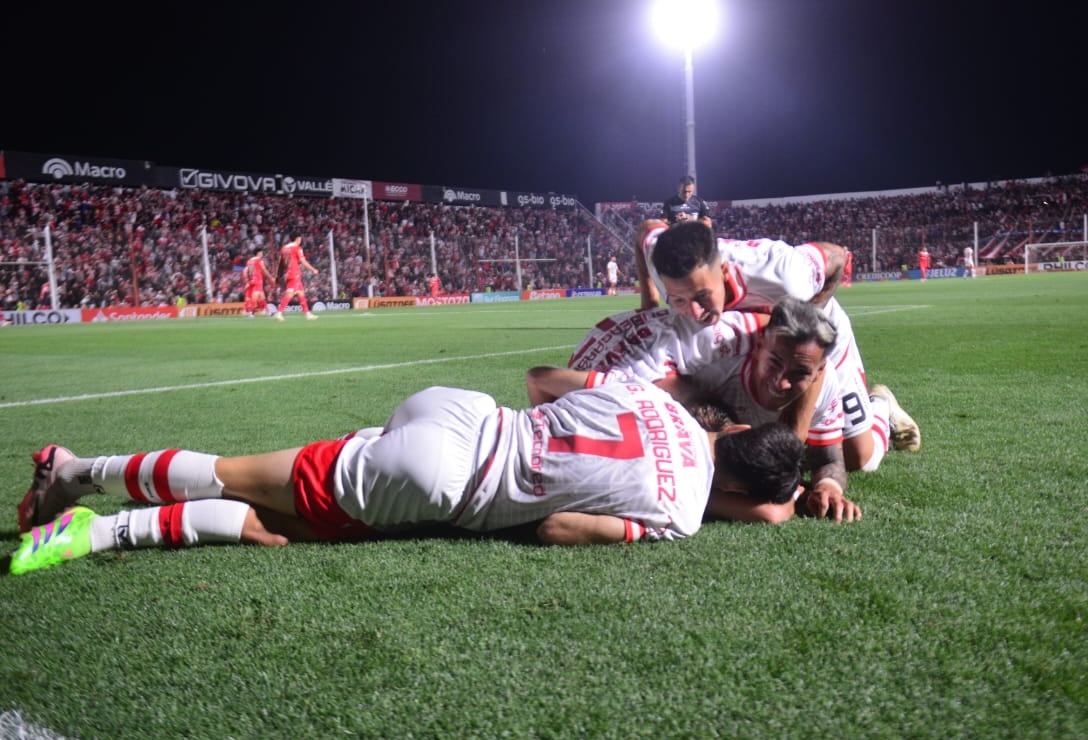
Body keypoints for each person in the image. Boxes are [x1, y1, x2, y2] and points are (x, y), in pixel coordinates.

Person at [9, 379, 808, 575]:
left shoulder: (659, 399)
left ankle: (84, 503)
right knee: (245, 489)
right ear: (737, 491)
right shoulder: (685, 516)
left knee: (270, 516)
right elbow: (564, 527)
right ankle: (76, 481)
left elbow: (545, 383)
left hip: (464, 413)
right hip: (448, 479)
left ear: (734, 431)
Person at [539, 296, 860, 523]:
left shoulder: (825, 381)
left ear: (818, 373)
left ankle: (878, 404)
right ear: (760, 346)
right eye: (775, 363)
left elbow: (830, 459)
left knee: (862, 455)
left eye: (800, 374)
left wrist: (827, 486)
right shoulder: (712, 362)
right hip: (612, 364)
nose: (782, 382)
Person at [633, 220, 922, 469]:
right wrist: (650, 304)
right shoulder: (664, 260)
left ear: (723, 272)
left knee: (860, 458)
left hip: (812, 336)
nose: (694, 313)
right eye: (679, 300)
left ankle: (881, 406)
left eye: (702, 297)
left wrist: (808, 317)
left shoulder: (785, 275)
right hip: (761, 343)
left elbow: (837, 256)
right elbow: (647, 230)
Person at [275, 236, 320, 321]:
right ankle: (279, 313)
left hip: (288, 273)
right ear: (297, 239)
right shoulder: (297, 248)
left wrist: (278, 275)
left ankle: (307, 314)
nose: (300, 241)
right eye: (300, 239)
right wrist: (313, 269)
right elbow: (303, 261)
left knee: (300, 293)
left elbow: (280, 264)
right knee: (290, 294)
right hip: (294, 273)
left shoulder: (284, 248)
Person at [242, 249, 270, 317]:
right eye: (261, 252)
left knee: (262, 296)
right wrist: (270, 277)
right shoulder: (259, 260)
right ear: (258, 253)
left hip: (252, 280)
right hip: (258, 280)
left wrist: (248, 280)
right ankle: (250, 312)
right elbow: (264, 270)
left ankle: (268, 311)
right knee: (254, 297)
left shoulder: (249, 261)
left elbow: (247, 271)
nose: (262, 254)